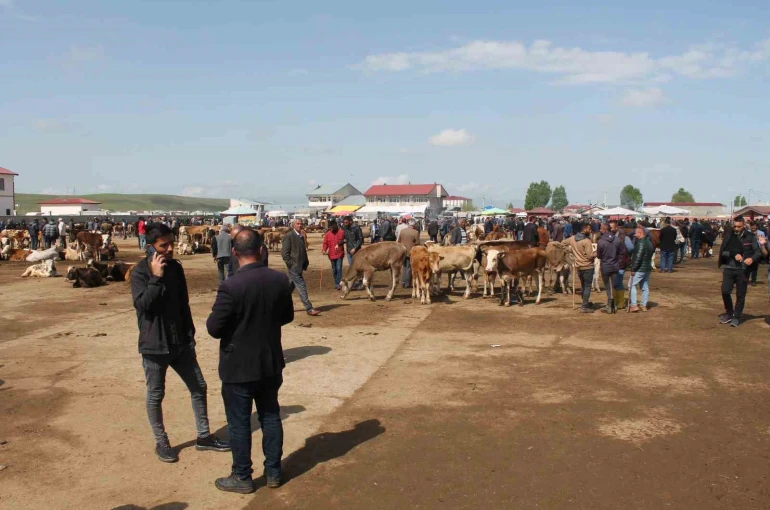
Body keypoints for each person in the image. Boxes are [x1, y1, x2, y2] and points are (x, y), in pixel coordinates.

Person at [130, 223, 230, 463]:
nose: (170, 249)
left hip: (180, 343)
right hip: (154, 345)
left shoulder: (176, 268)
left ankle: (204, 436)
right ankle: (161, 441)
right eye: (164, 245)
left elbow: (183, 305)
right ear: (150, 246)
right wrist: (156, 278)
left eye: (171, 243)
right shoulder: (140, 273)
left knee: (199, 386)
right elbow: (144, 306)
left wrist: (190, 334)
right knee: (156, 394)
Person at [206, 229, 294, 494]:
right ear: (262, 248)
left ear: (234, 252)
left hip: (238, 366)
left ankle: (242, 475)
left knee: (240, 422)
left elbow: (213, 328)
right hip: (269, 362)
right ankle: (274, 471)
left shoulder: (231, 286)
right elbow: (287, 316)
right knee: (270, 416)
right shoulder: (279, 280)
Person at [718, 216, 761, 327]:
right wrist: (733, 254)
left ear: (744, 225)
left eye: (739, 227)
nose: (736, 229)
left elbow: (758, 252)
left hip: (743, 270)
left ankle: (736, 317)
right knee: (725, 291)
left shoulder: (750, 237)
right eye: (735, 226)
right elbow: (723, 252)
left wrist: (751, 259)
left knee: (740, 295)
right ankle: (729, 313)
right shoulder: (729, 236)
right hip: (729, 268)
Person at [281, 219, 320, 316]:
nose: (300, 225)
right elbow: (284, 254)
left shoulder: (301, 236)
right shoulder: (289, 236)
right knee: (301, 286)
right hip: (294, 267)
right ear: (293, 225)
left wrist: (305, 262)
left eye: (301, 224)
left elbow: (303, 250)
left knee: (290, 286)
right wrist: (291, 264)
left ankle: (278, 303)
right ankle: (309, 308)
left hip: (299, 266)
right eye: (298, 224)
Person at [561, 223, 596, 313]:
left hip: (579, 267)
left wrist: (570, 250)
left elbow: (562, 243)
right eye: (589, 229)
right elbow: (590, 256)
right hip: (588, 266)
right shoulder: (587, 241)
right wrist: (597, 253)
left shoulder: (572, 238)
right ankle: (584, 306)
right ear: (584, 229)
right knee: (587, 286)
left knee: (583, 286)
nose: (590, 231)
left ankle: (585, 302)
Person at [628, 226, 654, 312]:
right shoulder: (649, 242)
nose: (634, 235)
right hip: (647, 268)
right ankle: (643, 305)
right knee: (645, 287)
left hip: (640, 269)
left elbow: (638, 257)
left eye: (636, 233)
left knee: (631, 285)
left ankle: (634, 305)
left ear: (640, 233)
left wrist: (633, 269)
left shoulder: (640, 243)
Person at [596, 222, 620, 314]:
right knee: (613, 286)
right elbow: (622, 252)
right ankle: (613, 305)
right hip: (615, 265)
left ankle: (610, 305)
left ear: (604, 230)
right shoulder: (617, 240)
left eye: (601, 229)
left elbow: (598, 256)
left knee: (607, 286)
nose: (600, 230)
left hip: (605, 266)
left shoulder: (601, 241)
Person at [322, 220, 346, 290]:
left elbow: (345, 239)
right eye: (330, 227)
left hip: (339, 254)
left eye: (332, 226)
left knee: (339, 269)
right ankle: (336, 282)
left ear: (336, 225)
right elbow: (325, 243)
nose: (331, 228)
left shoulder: (341, 232)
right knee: (334, 270)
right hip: (331, 255)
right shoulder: (327, 234)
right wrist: (324, 250)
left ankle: (338, 283)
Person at [397, 220, 420, 288]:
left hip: (402, 251)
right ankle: (407, 283)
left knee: (404, 267)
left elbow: (399, 241)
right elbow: (417, 243)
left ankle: (403, 282)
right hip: (411, 252)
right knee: (409, 267)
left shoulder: (402, 231)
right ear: (414, 225)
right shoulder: (415, 232)